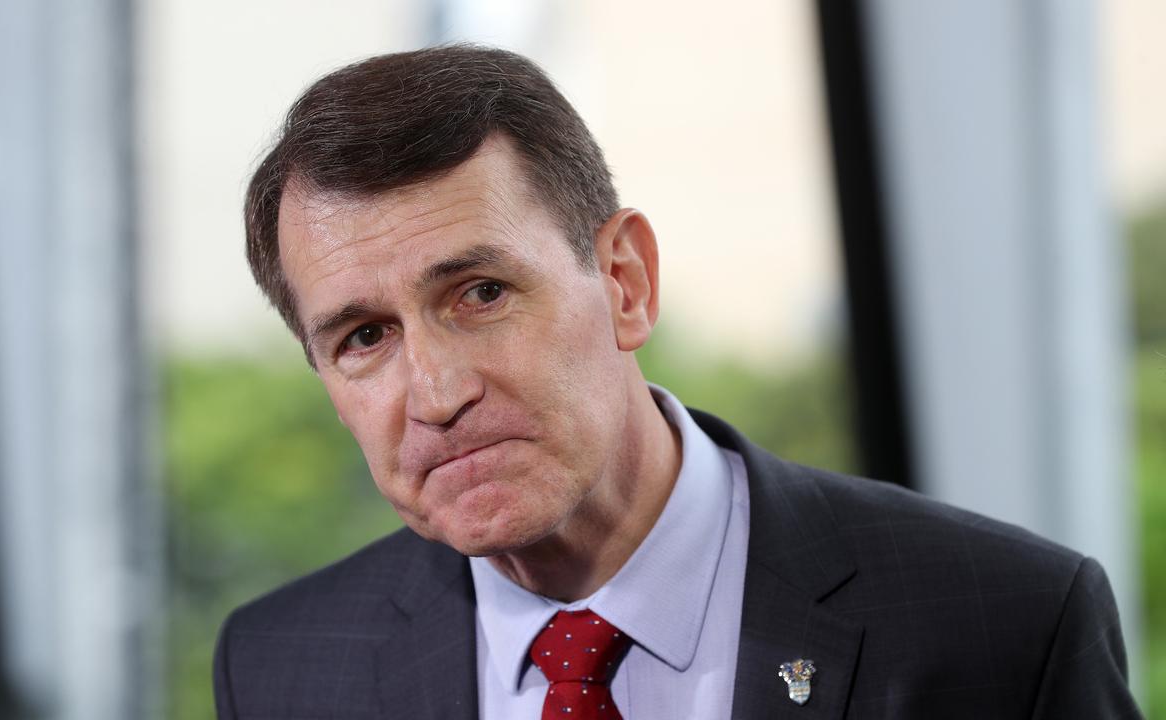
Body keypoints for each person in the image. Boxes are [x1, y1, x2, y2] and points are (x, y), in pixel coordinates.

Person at [212, 45, 1140, 719]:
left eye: (481, 292)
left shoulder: (1004, 627)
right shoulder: (278, 671)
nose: (437, 393)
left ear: (625, 282)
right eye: (364, 337)